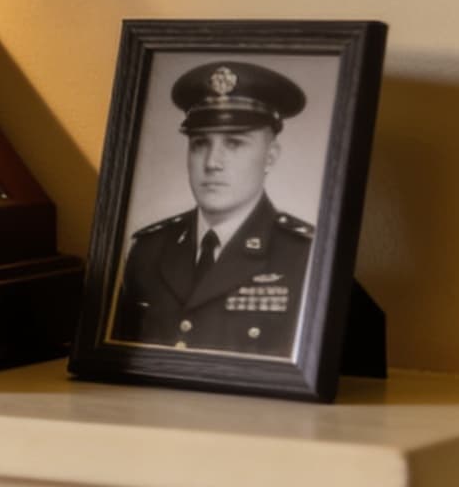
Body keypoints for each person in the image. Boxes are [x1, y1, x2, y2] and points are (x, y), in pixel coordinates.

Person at [108, 60, 313, 357]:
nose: (212, 162)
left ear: (270, 157)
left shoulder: (303, 253)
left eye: (234, 144)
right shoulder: (148, 248)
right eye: (200, 143)